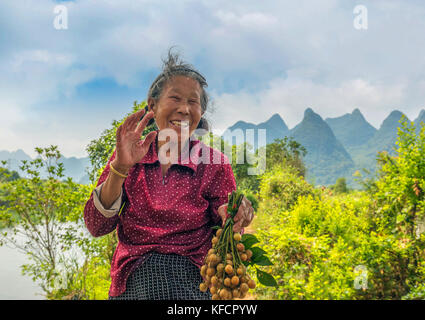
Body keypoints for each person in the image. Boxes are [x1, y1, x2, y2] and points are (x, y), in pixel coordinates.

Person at [83, 48, 255, 300]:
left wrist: (234, 215)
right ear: (152, 105)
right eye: (175, 98)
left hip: (192, 279)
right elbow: (97, 226)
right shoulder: (127, 155)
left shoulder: (215, 164)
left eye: (193, 102)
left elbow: (228, 224)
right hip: (133, 275)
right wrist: (120, 169)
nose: (184, 109)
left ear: (201, 113)